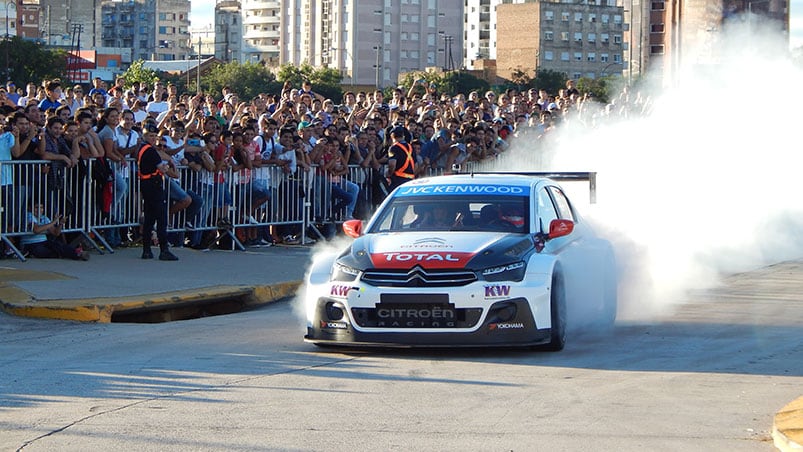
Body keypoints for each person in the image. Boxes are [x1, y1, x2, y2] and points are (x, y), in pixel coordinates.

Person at [136, 125, 178, 261]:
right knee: (160, 218)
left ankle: (146, 250)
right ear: (144, 136)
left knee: (149, 218)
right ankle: (163, 250)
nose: (153, 139)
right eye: (150, 136)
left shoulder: (142, 149)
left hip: (146, 184)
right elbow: (162, 168)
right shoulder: (150, 151)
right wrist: (169, 166)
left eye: (155, 136)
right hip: (153, 185)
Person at [20, 203, 89, 260]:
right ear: (30, 208)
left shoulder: (44, 217)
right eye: (36, 207)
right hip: (30, 244)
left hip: (44, 241)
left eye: (41, 208)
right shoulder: (28, 215)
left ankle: (78, 254)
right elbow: (36, 230)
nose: (39, 210)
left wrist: (60, 224)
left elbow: (56, 233)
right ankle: (74, 254)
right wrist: (53, 222)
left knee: (58, 245)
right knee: (44, 252)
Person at [385, 126, 415, 192]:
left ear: (392, 136)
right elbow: (416, 165)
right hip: (410, 180)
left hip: (398, 180)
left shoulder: (393, 148)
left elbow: (392, 164)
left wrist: (389, 173)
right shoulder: (411, 147)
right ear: (403, 135)